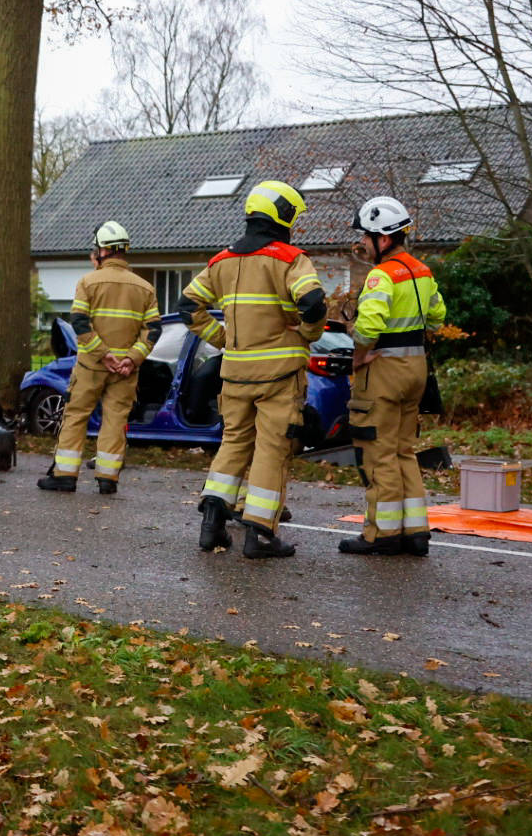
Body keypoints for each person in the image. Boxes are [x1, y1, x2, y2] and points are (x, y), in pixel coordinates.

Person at [180, 181, 327, 560]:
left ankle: (212, 525)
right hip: (278, 375)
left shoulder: (220, 261)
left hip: (234, 374)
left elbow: (187, 306)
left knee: (233, 444)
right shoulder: (291, 259)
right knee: (271, 450)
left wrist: (224, 338)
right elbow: (312, 302)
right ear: (284, 215)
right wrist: (306, 335)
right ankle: (260, 535)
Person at [340, 197, 448, 557]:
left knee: (378, 451)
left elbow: (368, 328)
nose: (363, 245)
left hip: (383, 370)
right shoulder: (422, 271)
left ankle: (381, 535)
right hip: (416, 368)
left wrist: (358, 357)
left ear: (383, 239)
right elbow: (436, 318)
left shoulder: (380, 275)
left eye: (366, 238)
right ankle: (415, 533)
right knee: (404, 450)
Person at [38, 221, 160, 495]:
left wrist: (103, 355)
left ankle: (65, 475)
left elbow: (80, 323)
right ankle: (108, 479)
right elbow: (153, 329)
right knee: (116, 419)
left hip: (91, 365)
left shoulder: (88, 282)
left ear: (103, 251)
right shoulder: (145, 288)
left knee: (76, 415)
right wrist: (131, 358)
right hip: (126, 370)